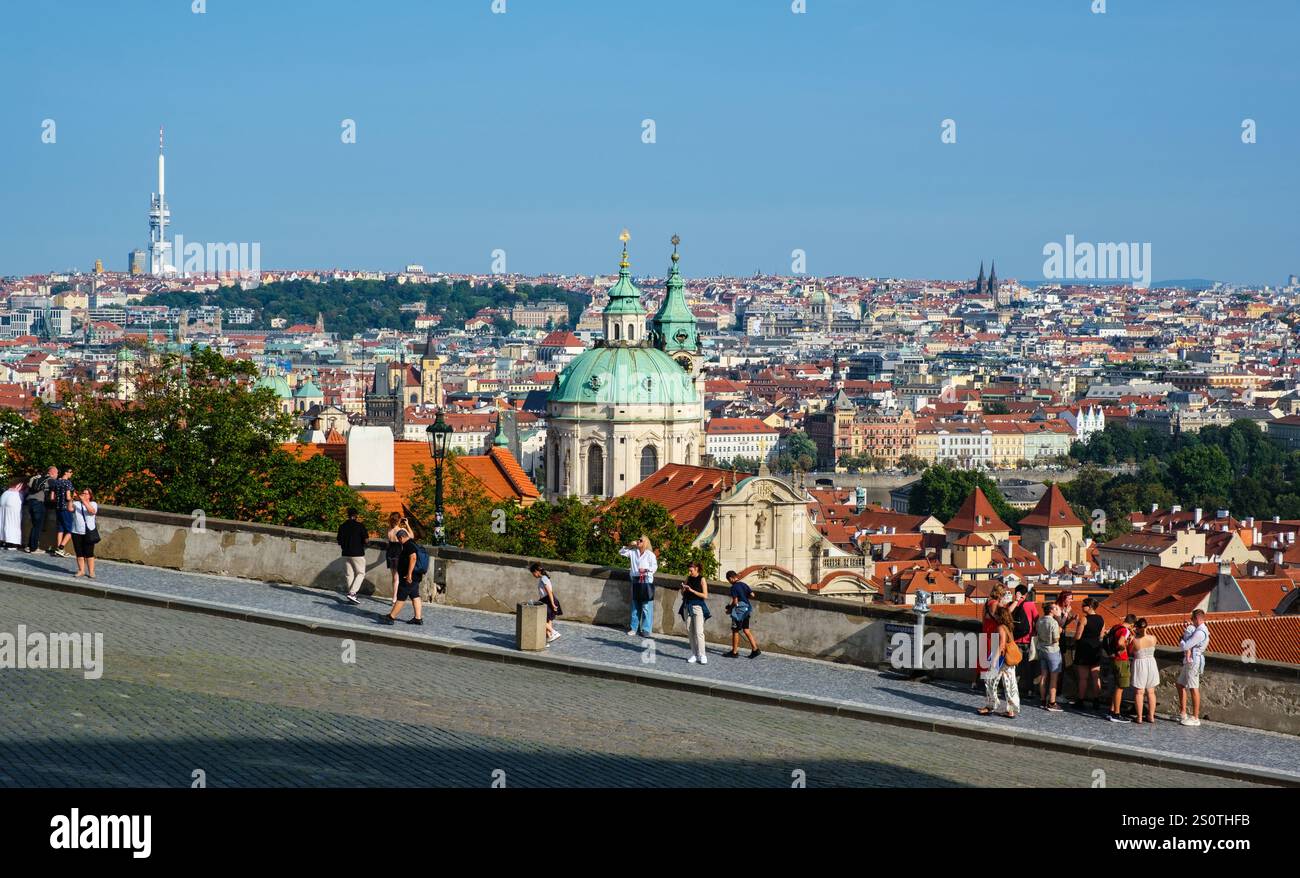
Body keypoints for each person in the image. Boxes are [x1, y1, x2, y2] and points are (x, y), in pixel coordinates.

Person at [977, 605, 1019, 718]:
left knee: (989, 681)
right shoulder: (1008, 626)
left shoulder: (1000, 627)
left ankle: (991, 706)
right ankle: (1011, 710)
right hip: (1008, 660)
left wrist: (994, 660)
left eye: (995, 614)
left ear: (999, 616)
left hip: (1001, 659)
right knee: (1010, 684)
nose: (993, 615)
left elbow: (1001, 645)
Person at [379, 530, 424, 626]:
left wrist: (409, 574)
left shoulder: (408, 545)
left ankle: (391, 617)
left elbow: (413, 558)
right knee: (415, 595)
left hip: (409, 577)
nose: (399, 542)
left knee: (401, 596)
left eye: (399, 540)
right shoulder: (412, 543)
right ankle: (418, 618)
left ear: (401, 537)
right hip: (416, 576)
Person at [619, 535, 657, 637]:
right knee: (635, 605)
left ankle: (645, 629)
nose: (638, 541)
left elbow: (654, 567)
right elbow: (621, 552)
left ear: (645, 543)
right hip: (635, 579)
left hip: (646, 580)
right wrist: (629, 545)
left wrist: (645, 570)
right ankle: (634, 628)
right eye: (638, 540)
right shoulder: (633, 552)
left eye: (641, 540)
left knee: (646, 606)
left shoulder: (650, 554)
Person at [1177, 609, 1210, 727]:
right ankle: (1183, 712)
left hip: (1194, 661)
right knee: (1180, 684)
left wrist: (1181, 640)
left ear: (1197, 619)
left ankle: (1196, 717)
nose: (1192, 621)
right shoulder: (1199, 630)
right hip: (1190, 661)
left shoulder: (1200, 632)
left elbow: (1186, 646)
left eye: (1192, 619)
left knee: (1193, 688)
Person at [1071, 597, 1105, 712]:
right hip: (1095, 649)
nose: (1081, 607)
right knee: (1096, 677)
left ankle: (1080, 700)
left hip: (1084, 650)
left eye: (1083, 605)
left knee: (1083, 678)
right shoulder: (1101, 618)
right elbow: (1101, 635)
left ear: (1089, 607)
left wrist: (1075, 640)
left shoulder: (1084, 619)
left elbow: (1078, 636)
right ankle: (1096, 701)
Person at [1010, 584, 1040, 699]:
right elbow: (1037, 620)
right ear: (1026, 594)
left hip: (1015, 639)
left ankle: (1013, 689)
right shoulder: (1030, 604)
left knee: (1014, 666)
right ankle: (1029, 690)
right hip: (1027, 639)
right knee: (1028, 667)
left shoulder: (1012, 604)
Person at [975, 584, 1006, 692]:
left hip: (987, 632)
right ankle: (988, 685)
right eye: (1004, 594)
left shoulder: (987, 602)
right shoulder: (994, 603)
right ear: (1000, 593)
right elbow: (998, 618)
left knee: (984, 658)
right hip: (992, 634)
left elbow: (984, 618)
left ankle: (979, 683)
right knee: (991, 658)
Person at [1106, 613, 1136, 723]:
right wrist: (1125, 646)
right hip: (1121, 659)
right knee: (1120, 687)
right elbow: (1120, 642)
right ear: (1132, 624)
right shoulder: (1125, 630)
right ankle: (1116, 714)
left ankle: (1112, 710)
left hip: (1113, 659)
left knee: (1116, 685)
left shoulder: (1116, 627)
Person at [678, 562, 711, 664]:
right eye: (689, 570)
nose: (689, 572)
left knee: (699, 632)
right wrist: (683, 589)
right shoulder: (688, 578)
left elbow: (705, 595)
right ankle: (695, 654)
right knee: (689, 631)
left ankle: (703, 655)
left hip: (697, 607)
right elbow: (683, 593)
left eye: (691, 570)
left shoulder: (702, 579)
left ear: (696, 569)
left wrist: (692, 591)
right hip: (687, 606)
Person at [723, 570, 761, 659]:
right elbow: (752, 594)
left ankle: (734, 652)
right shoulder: (743, 584)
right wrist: (744, 597)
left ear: (731, 578)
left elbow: (735, 601)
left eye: (729, 580)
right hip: (747, 609)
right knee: (746, 630)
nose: (729, 582)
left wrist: (730, 610)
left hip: (739, 612)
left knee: (735, 630)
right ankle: (755, 649)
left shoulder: (734, 587)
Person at [1035, 602, 1064, 712]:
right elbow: (1055, 639)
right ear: (1051, 610)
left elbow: (1037, 631)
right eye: (1055, 608)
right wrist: (1060, 632)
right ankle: (1052, 702)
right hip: (1052, 651)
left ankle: (1042, 700)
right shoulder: (1053, 623)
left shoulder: (1040, 620)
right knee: (1053, 678)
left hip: (1042, 649)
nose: (1057, 610)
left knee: (1043, 676)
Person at [1130, 618, 1160, 724]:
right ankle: (1151, 716)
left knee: (1139, 692)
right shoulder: (1153, 638)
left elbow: (1131, 651)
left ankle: (1139, 717)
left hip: (1140, 664)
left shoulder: (1135, 640)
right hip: (1151, 663)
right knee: (1151, 692)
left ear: (1137, 628)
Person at [336, 507, 369, 605]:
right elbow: (366, 540)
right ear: (356, 515)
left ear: (348, 515)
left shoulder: (342, 526)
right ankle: (352, 593)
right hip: (357, 553)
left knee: (349, 574)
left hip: (345, 553)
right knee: (361, 573)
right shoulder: (360, 526)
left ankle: (352, 595)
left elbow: (339, 540)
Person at [24, 466, 57, 553]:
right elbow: (57, 488)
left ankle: (29, 546)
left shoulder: (38, 477)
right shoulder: (50, 479)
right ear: (52, 472)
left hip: (30, 502)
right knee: (38, 526)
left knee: (34, 525)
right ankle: (34, 548)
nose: (57, 475)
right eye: (56, 473)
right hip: (38, 503)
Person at [68, 487, 99, 579]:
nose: (84, 495)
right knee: (79, 553)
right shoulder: (76, 503)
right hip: (76, 531)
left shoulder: (93, 504)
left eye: (86, 494)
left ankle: (91, 572)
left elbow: (92, 511)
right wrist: (71, 499)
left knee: (89, 553)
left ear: (90, 496)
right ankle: (81, 570)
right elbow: (70, 509)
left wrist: (84, 501)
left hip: (88, 532)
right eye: (83, 493)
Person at [529, 562, 562, 643]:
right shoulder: (544, 578)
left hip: (548, 600)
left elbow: (549, 592)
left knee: (540, 619)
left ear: (537, 571)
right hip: (546, 600)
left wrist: (552, 603)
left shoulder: (543, 578)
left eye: (533, 573)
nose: (533, 575)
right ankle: (548, 638)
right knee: (548, 620)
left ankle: (554, 632)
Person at [48, 467, 76, 558]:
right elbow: (68, 497)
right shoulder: (67, 483)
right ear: (66, 472)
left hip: (58, 508)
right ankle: (61, 548)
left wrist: (59, 500)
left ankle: (58, 550)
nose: (71, 474)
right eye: (71, 472)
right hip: (66, 508)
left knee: (60, 529)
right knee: (70, 530)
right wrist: (73, 498)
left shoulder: (56, 482)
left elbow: (52, 498)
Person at [384, 513, 405, 606]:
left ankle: (394, 596)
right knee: (397, 577)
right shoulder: (400, 530)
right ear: (399, 520)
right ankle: (395, 598)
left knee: (394, 577)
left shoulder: (389, 529)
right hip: (397, 553)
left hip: (389, 553)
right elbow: (410, 538)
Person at [0, 478, 24, 550]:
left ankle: (2, 539)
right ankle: (12, 542)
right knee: (14, 521)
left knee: (3, 520)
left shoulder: (6, 491)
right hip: (14, 498)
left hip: (5, 497)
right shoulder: (19, 488)